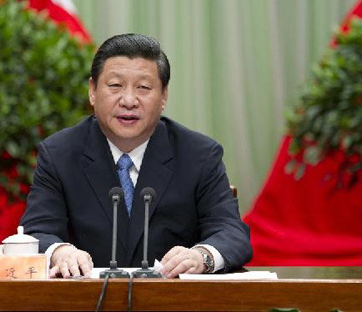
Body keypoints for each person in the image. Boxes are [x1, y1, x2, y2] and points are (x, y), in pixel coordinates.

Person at [20, 33, 252, 278]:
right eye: (115, 86)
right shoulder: (59, 153)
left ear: (163, 97)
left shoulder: (199, 154)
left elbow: (231, 232)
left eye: (143, 88)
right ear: (92, 91)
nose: (129, 100)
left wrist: (201, 256)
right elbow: (36, 231)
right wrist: (60, 251)